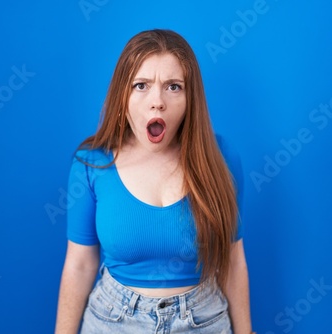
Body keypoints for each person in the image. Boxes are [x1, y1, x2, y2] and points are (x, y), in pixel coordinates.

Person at [55, 29, 254, 334]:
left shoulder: (222, 157)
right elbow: (79, 265)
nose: (157, 102)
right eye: (141, 85)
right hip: (112, 322)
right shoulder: (92, 163)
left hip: (204, 321)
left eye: (173, 86)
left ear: (190, 99)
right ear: (123, 96)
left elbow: (233, 260)